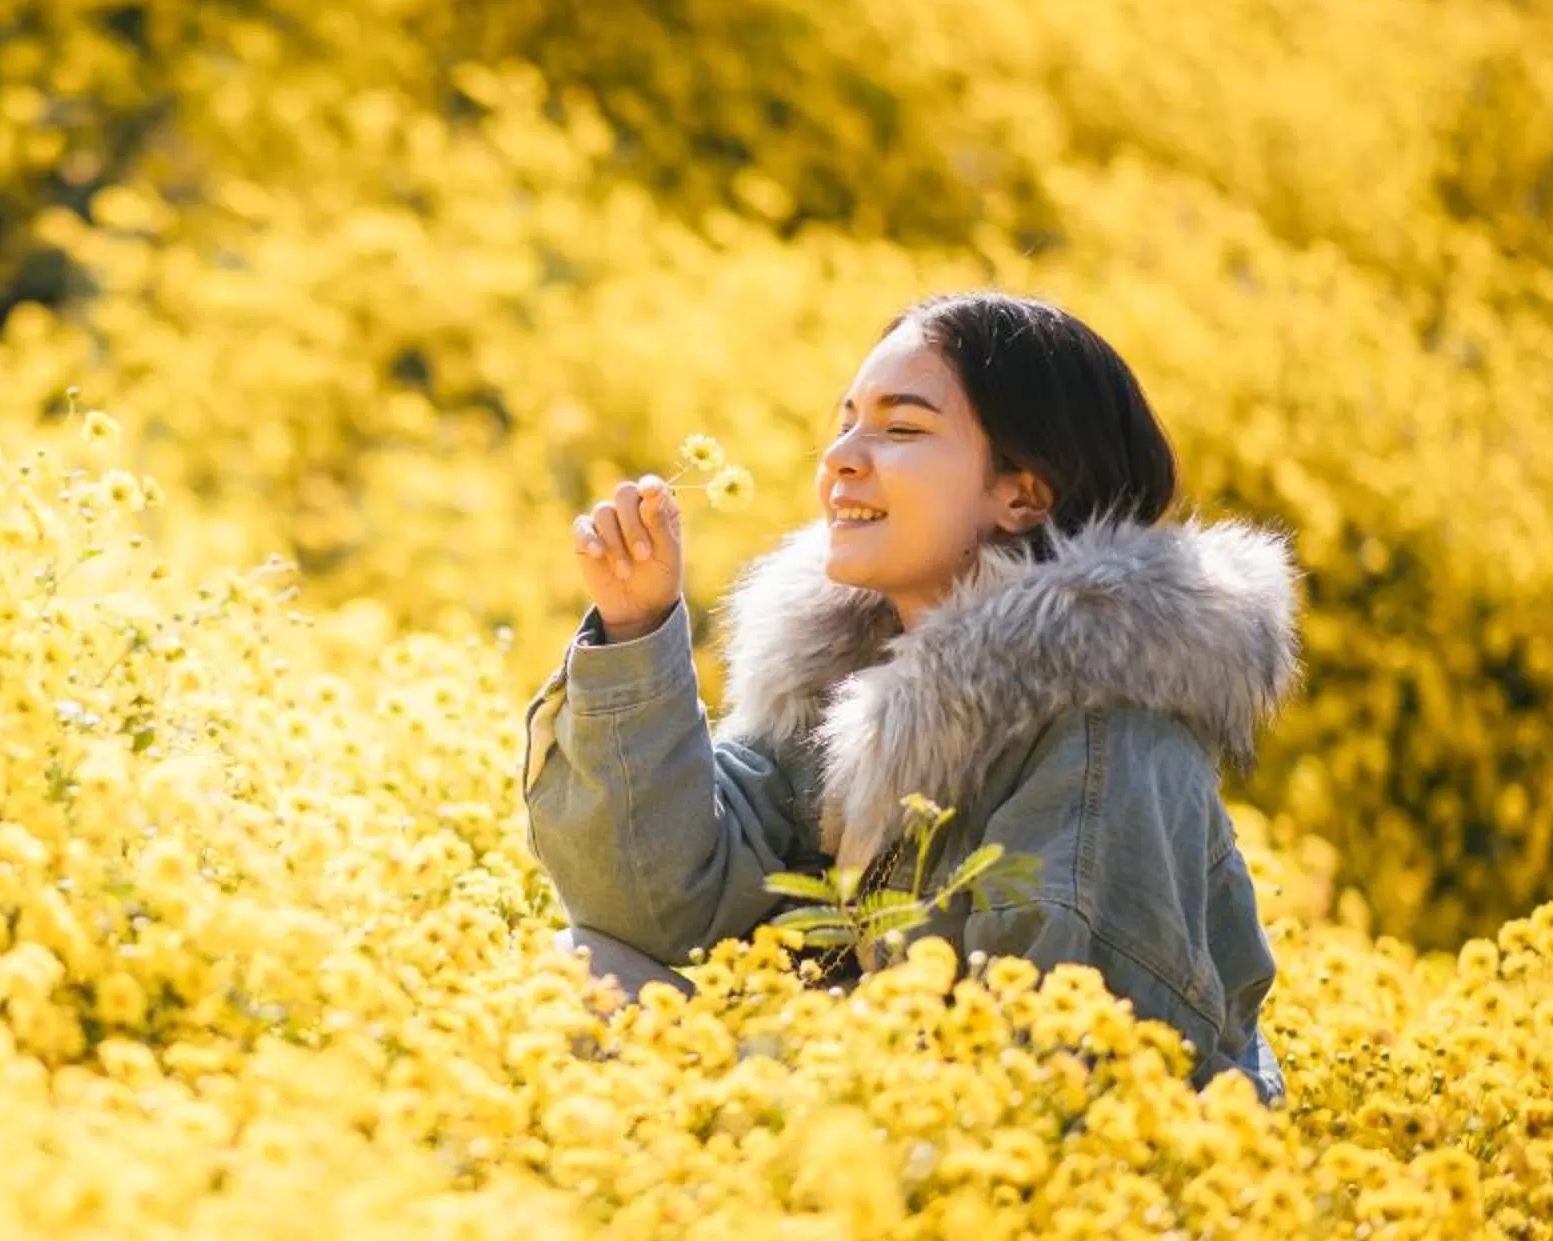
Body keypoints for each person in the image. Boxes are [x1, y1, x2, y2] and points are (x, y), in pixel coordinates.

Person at [519, 291, 1303, 1103]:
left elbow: (1056, 1081)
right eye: (846, 421)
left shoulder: (1108, 735)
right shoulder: (847, 678)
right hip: (866, 1112)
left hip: (1005, 1173)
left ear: (1023, 497)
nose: (842, 460)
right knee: (579, 977)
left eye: (901, 429)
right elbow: (656, 910)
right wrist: (638, 628)